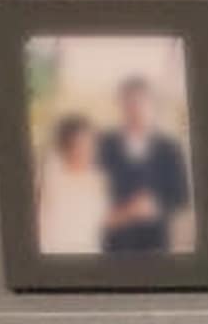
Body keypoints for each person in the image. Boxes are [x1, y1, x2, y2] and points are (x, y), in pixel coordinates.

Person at [97, 74, 192, 254]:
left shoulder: (170, 148)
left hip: (155, 245)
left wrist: (155, 206)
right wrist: (124, 212)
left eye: (140, 102)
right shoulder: (103, 145)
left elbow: (181, 198)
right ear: (120, 105)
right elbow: (91, 193)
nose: (134, 109)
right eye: (128, 103)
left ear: (151, 104)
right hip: (112, 246)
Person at [32, 114, 107, 258]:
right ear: (66, 146)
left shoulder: (96, 179)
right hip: (52, 257)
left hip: (88, 257)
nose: (86, 149)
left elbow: (99, 221)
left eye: (90, 144)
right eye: (79, 144)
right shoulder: (50, 172)